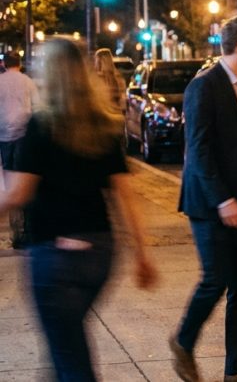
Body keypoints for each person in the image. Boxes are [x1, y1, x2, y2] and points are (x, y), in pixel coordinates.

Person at [0, 38, 157, 381]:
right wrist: (142, 254)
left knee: (69, 356)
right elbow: (125, 196)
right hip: (99, 254)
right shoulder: (104, 125)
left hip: (53, 256)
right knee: (64, 341)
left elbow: (18, 194)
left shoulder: (41, 126)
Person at [170, 16, 237, 382]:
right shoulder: (204, 86)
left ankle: (236, 369)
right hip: (210, 203)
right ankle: (183, 341)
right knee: (215, 279)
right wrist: (222, 200)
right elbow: (199, 151)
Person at [0, 51, 38, 248]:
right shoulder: (28, 82)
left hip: (4, 137)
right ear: (20, 63)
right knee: (26, 181)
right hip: (25, 137)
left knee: (11, 184)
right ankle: (28, 230)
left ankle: (16, 233)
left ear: (4, 64)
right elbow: (37, 108)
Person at [93, 48, 126, 113]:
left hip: (102, 112)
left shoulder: (97, 77)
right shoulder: (118, 77)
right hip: (115, 112)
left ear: (100, 60)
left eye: (96, 59)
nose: (95, 62)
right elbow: (121, 95)